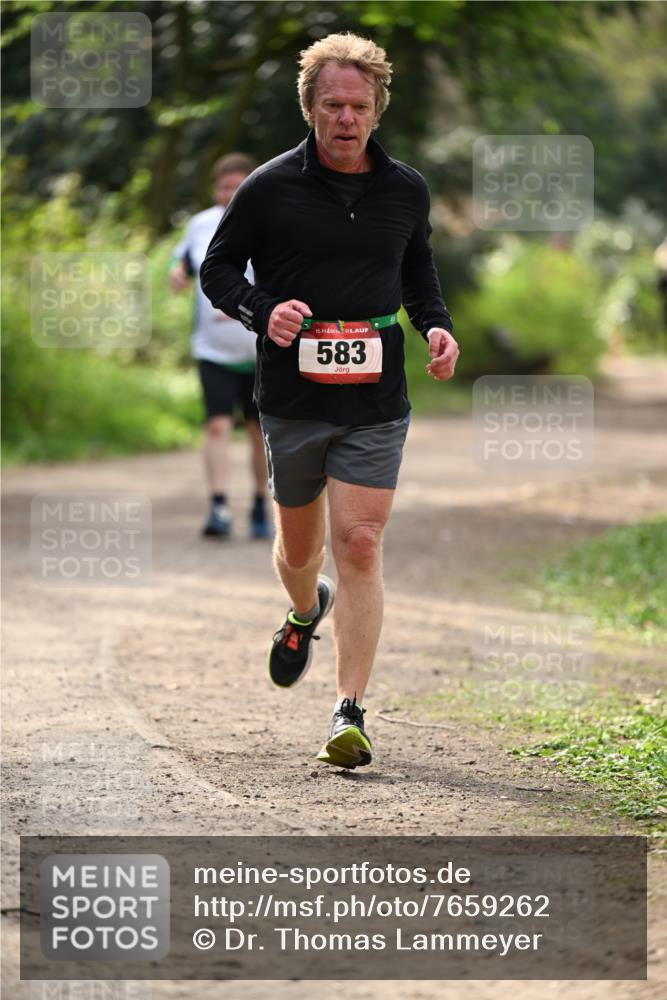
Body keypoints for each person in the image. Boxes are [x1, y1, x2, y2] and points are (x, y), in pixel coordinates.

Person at [201, 33, 458, 768]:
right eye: (332, 105)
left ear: (377, 108)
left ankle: (348, 711)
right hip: (291, 395)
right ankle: (303, 607)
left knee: (361, 543)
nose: (346, 118)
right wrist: (261, 309)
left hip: (376, 396)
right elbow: (218, 271)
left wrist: (436, 327)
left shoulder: (405, 188)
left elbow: (418, 272)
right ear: (309, 108)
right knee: (299, 549)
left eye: (359, 105)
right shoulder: (269, 186)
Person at [170, 153, 272, 539]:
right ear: (215, 189)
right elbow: (181, 262)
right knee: (216, 426)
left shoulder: (269, 219)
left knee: (258, 429)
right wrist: (177, 275)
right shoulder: (200, 225)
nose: (230, 194)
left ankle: (262, 505)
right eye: (224, 187)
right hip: (212, 350)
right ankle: (218, 506)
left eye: (238, 186)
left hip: (261, 349)